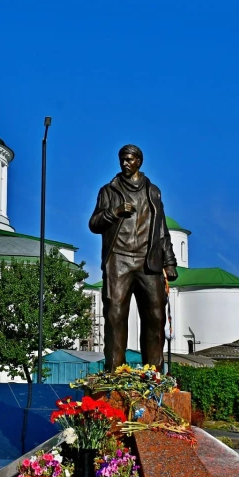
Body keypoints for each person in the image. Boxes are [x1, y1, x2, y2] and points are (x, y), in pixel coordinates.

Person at [89, 144, 177, 370]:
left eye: (129, 159)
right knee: (115, 315)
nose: (125, 163)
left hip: (149, 261)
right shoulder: (108, 191)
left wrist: (169, 262)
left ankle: (154, 374)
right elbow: (94, 223)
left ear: (139, 161)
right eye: (122, 160)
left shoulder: (153, 191)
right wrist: (114, 212)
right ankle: (115, 371)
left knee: (155, 317)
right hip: (118, 259)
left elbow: (161, 230)